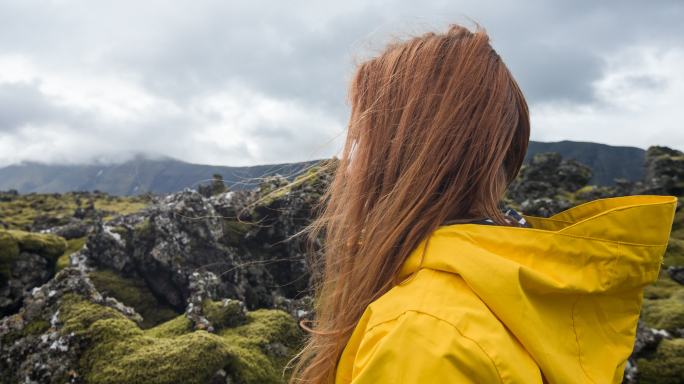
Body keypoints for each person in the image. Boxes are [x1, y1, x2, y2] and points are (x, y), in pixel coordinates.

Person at [287, 23, 677, 383]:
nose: (349, 165)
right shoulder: (527, 287)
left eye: (360, 138)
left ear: (405, 154)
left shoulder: (422, 333)